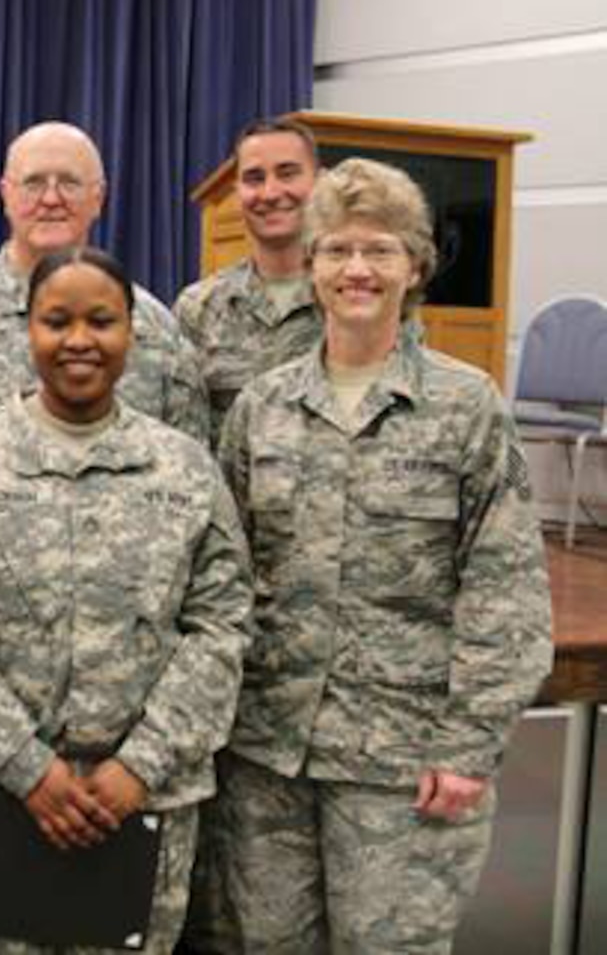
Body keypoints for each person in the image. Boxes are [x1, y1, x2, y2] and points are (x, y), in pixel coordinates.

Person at [205, 158, 553, 953]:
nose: (355, 269)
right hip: (267, 755)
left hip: (403, 762)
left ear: (414, 267)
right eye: (335, 250)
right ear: (312, 264)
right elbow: (221, 579)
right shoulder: (262, 408)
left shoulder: (464, 408)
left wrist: (467, 745)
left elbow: (504, 590)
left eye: (379, 250)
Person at [0, 245, 252, 953]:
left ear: (131, 331)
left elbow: (221, 626)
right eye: (56, 321)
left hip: (141, 803)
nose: (78, 340)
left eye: (100, 321)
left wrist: (140, 765)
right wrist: (24, 764)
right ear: (28, 330)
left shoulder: (185, 469)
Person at [0, 121, 209, 463]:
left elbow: (191, 469)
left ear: (98, 198)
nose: (51, 199)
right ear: (5, 195)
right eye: (33, 183)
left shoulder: (155, 331)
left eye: (69, 183)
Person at [174, 116, 324, 441]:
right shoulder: (199, 307)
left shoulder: (354, 296)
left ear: (320, 181)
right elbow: (186, 435)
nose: (270, 193)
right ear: (237, 191)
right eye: (254, 178)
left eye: (287, 173)